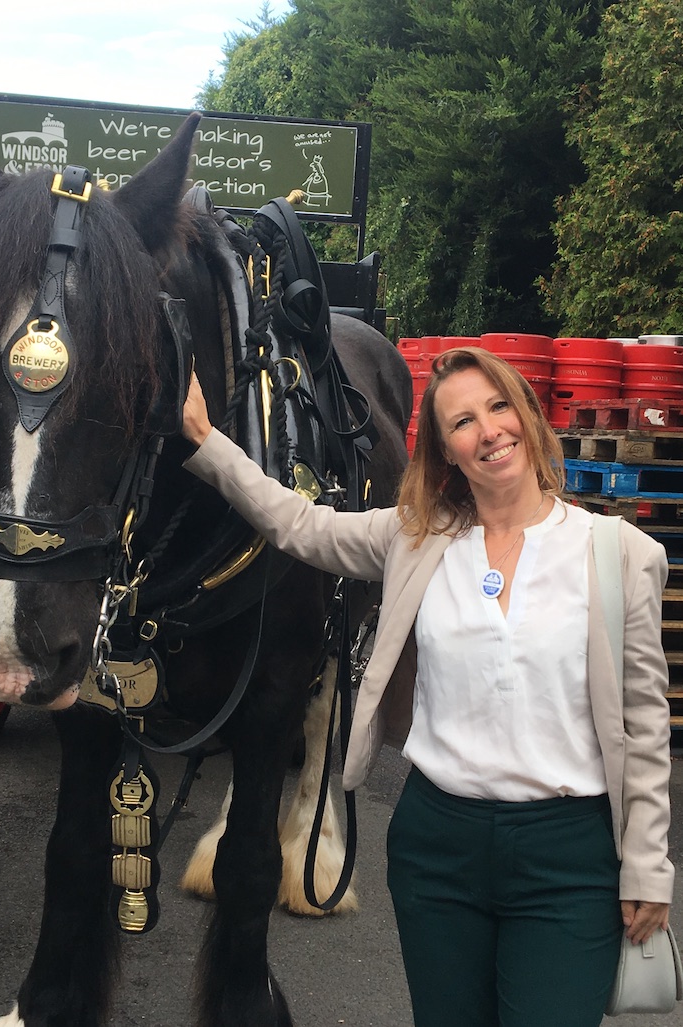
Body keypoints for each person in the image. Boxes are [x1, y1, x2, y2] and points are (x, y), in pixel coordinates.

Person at [181, 345, 673, 1027]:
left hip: (569, 853)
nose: (489, 429)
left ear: (528, 416)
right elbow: (299, 523)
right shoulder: (416, 538)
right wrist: (206, 441)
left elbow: (645, 726)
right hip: (439, 843)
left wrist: (648, 863)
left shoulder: (621, 554)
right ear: (445, 451)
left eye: (499, 405)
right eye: (462, 421)